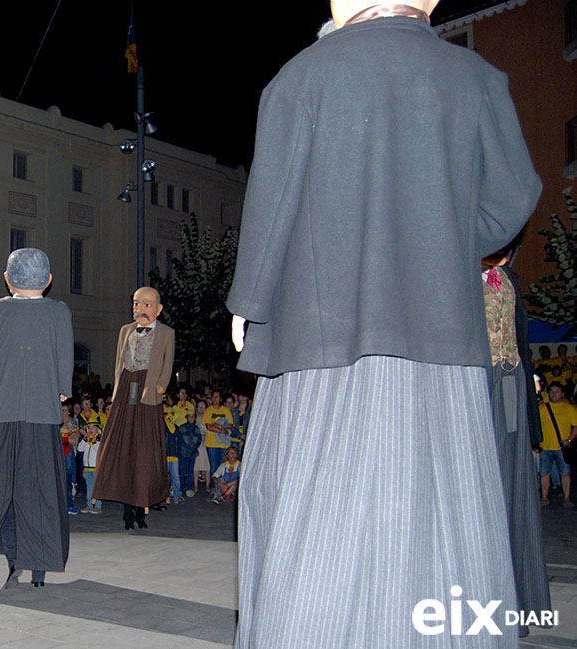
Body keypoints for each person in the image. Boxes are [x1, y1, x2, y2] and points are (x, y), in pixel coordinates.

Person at [227, 1, 541, 645]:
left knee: (315, 507)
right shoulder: (477, 77)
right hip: (441, 339)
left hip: (320, 337)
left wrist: (249, 302)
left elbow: (271, 205)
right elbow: (512, 198)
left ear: (340, 4)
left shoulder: (301, 77)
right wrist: (439, 245)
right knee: (446, 509)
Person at [0, 248, 72, 588]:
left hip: (7, 415)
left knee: (6, 492)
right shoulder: (58, 311)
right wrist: (63, 388)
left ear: (7, 278)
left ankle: (14, 561)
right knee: (43, 493)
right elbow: (65, 356)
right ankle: (40, 569)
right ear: (47, 280)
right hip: (44, 416)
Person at [482, 251, 552, 624]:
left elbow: (520, 337)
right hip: (477, 384)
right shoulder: (461, 278)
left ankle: (522, 602)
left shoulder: (510, 281)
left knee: (514, 485)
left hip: (512, 382)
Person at [92, 286, 174, 530]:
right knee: (122, 446)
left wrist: (160, 387)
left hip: (148, 392)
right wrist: (117, 392)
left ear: (158, 309)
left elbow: (167, 363)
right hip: (127, 388)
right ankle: (127, 508)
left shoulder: (166, 333)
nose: (140, 309)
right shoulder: (125, 330)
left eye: (146, 304)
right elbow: (119, 362)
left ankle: (142, 507)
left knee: (145, 451)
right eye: (137, 304)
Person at [538, 382, 577, 506]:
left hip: (562, 447)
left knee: (565, 474)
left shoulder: (569, 408)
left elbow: (576, 426)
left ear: (562, 394)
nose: (554, 394)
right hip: (545, 447)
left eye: (557, 391)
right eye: (552, 391)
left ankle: (566, 498)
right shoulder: (542, 408)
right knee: (544, 474)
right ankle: (544, 497)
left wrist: (570, 439)